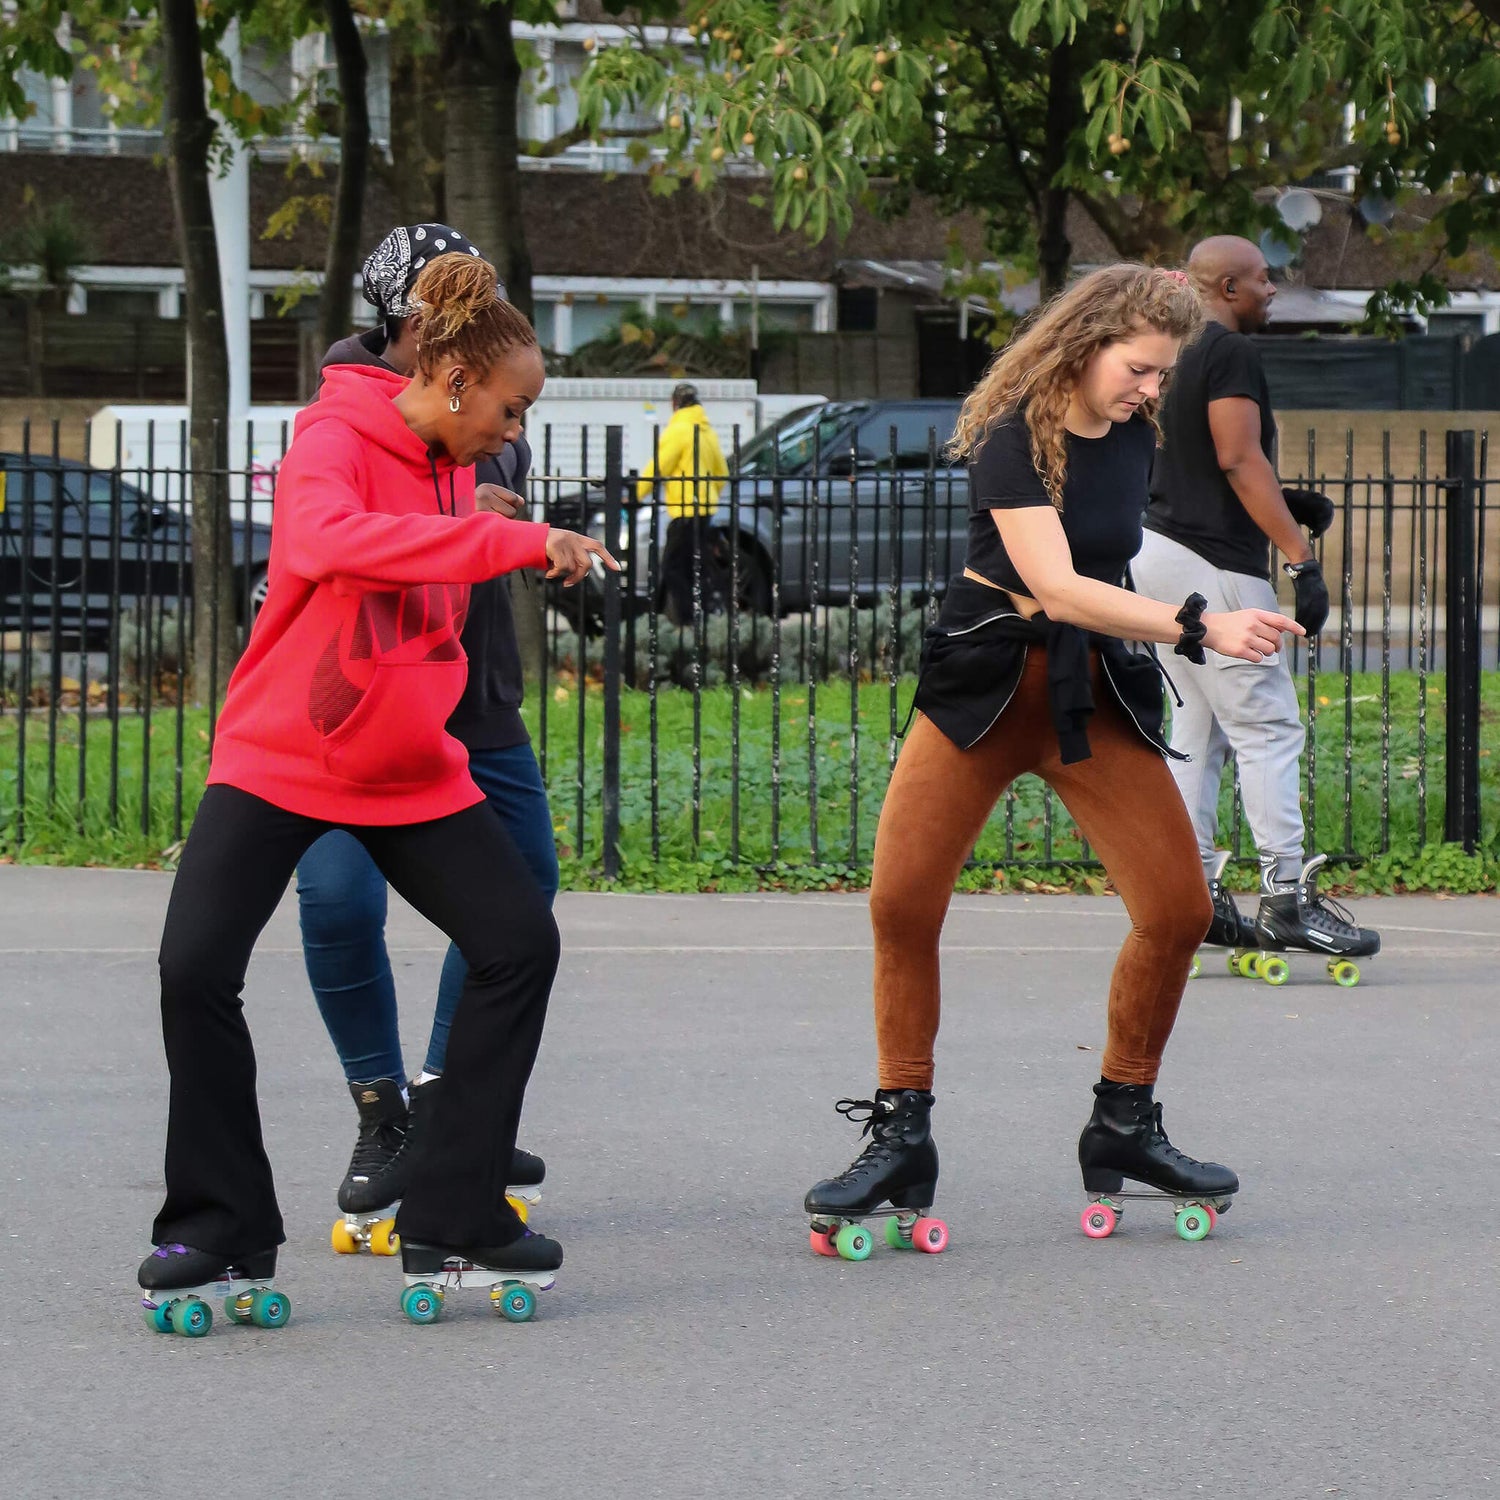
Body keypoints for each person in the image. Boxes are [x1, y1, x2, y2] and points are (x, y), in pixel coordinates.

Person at [137, 253, 618, 1317]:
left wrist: (500, 527)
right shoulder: (331, 438)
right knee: (194, 970)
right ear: (453, 380)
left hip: (407, 767)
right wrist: (508, 539)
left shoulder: (455, 459)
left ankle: (454, 1211)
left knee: (517, 943)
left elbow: (438, 544)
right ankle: (216, 1231)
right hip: (282, 758)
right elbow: (326, 542)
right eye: (510, 405)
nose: (515, 429)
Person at [803, 265, 1304, 1253]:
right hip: (987, 686)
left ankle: (1123, 1121)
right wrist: (1201, 624)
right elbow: (1056, 584)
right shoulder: (1010, 438)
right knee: (901, 902)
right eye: (1142, 368)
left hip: (1090, 695)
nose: (1153, 391)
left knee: (1177, 911)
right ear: (1088, 342)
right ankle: (902, 1132)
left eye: (1163, 374)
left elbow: (1115, 571)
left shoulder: (1131, 437)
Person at [293, 223, 558, 1241]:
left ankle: (448, 1099)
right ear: (402, 323)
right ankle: (383, 1114)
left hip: (476, 702)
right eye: (452, 317)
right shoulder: (340, 421)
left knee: (521, 894)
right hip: (363, 704)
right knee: (338, 897)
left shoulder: (494, 403)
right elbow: (338, 546)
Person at [1130, 236, 1380, 968]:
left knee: (1197, 731)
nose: (1274, 289)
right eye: (1265, 279)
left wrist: (1285, 502)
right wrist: (1302, 563)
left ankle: (1193, 898)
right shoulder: (1230, 351)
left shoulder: (1168, 348)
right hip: (1215, 565)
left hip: (1157, 550)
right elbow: (1238, 456)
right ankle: (1285, 900)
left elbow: (1199, 458)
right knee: (1269, 726)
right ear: (1229, 286)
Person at [635, 381, 729, 623]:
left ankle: (688, 621)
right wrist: (710, 497)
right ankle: (704, 614)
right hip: (705, 510)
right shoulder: (707, 431)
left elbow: (659, 465)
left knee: (673, 567)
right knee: (694, 565)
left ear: (674, 404)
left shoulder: (680, 428)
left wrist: (636, 493)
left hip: (685, 510)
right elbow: (722, 472)